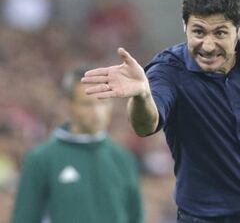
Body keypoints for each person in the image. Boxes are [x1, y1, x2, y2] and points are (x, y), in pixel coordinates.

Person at [82, 0, 240, 223]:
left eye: (220, 33)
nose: (207, 45)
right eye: (198, 31)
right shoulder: (168, 71)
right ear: (184, 25)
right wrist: (141, 95)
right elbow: (146, 125)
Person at [12, 67, 144, 223]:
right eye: (87, 104)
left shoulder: (123, 158)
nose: (97, 112)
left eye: (104, 102)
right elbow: (24, 217)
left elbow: (135, 217)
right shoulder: (40, 159)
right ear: (68, 104)